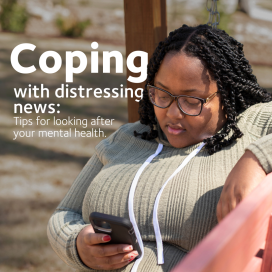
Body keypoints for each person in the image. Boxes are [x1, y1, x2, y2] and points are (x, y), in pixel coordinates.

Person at [47, 24, 272, 272]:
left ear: (226, 94)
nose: (172, 113)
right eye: (162, 95)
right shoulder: (130, 137)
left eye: (191, 100)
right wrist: (77, 245)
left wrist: (255, 158)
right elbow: (65, 213)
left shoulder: (252, 127)